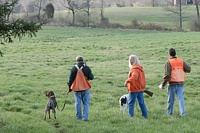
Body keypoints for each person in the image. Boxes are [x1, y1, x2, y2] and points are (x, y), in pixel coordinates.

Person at [159, 48, 191, 116]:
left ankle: (169, 113)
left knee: (171, 100)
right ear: (175, 53)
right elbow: (188, 69)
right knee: (181, 99)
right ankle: (183, 113)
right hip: (180, 83)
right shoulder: (181, 61)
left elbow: (167, 75)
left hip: (172, 83)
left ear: (169, 54)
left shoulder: (169, 62)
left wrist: (162, 85)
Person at [68, 55, 94, 121]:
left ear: (76, 61)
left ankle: (78, 118)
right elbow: (91, 77)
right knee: (86, 103)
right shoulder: (87, 68)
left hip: (76, 89)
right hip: (85, 88)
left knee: (77, 103)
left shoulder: (73, 68)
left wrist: (70, 88)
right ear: (83, 60)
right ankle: (85, 117)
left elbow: (70, 80)